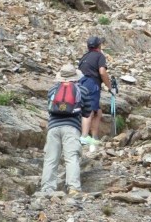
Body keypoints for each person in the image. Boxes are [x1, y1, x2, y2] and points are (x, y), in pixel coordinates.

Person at [40, 63, 92, 196]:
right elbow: (87, 112)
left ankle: (47, 188)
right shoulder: (83, 90)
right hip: (72, 128)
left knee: (51, 158)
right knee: (71, 158)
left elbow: (49, 109)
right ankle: (73, 188)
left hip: (53, 128)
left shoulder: (52, 90)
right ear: (75, 77)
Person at [78, 36, 113, 152]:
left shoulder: (84, 57)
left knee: (98, 111)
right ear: (99, 46)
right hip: (92, 84)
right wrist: (110, 87)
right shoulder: (99, 56)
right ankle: (84, 137)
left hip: (81, 83)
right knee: (90, 111)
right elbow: (102, 72)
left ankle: (94, 137)